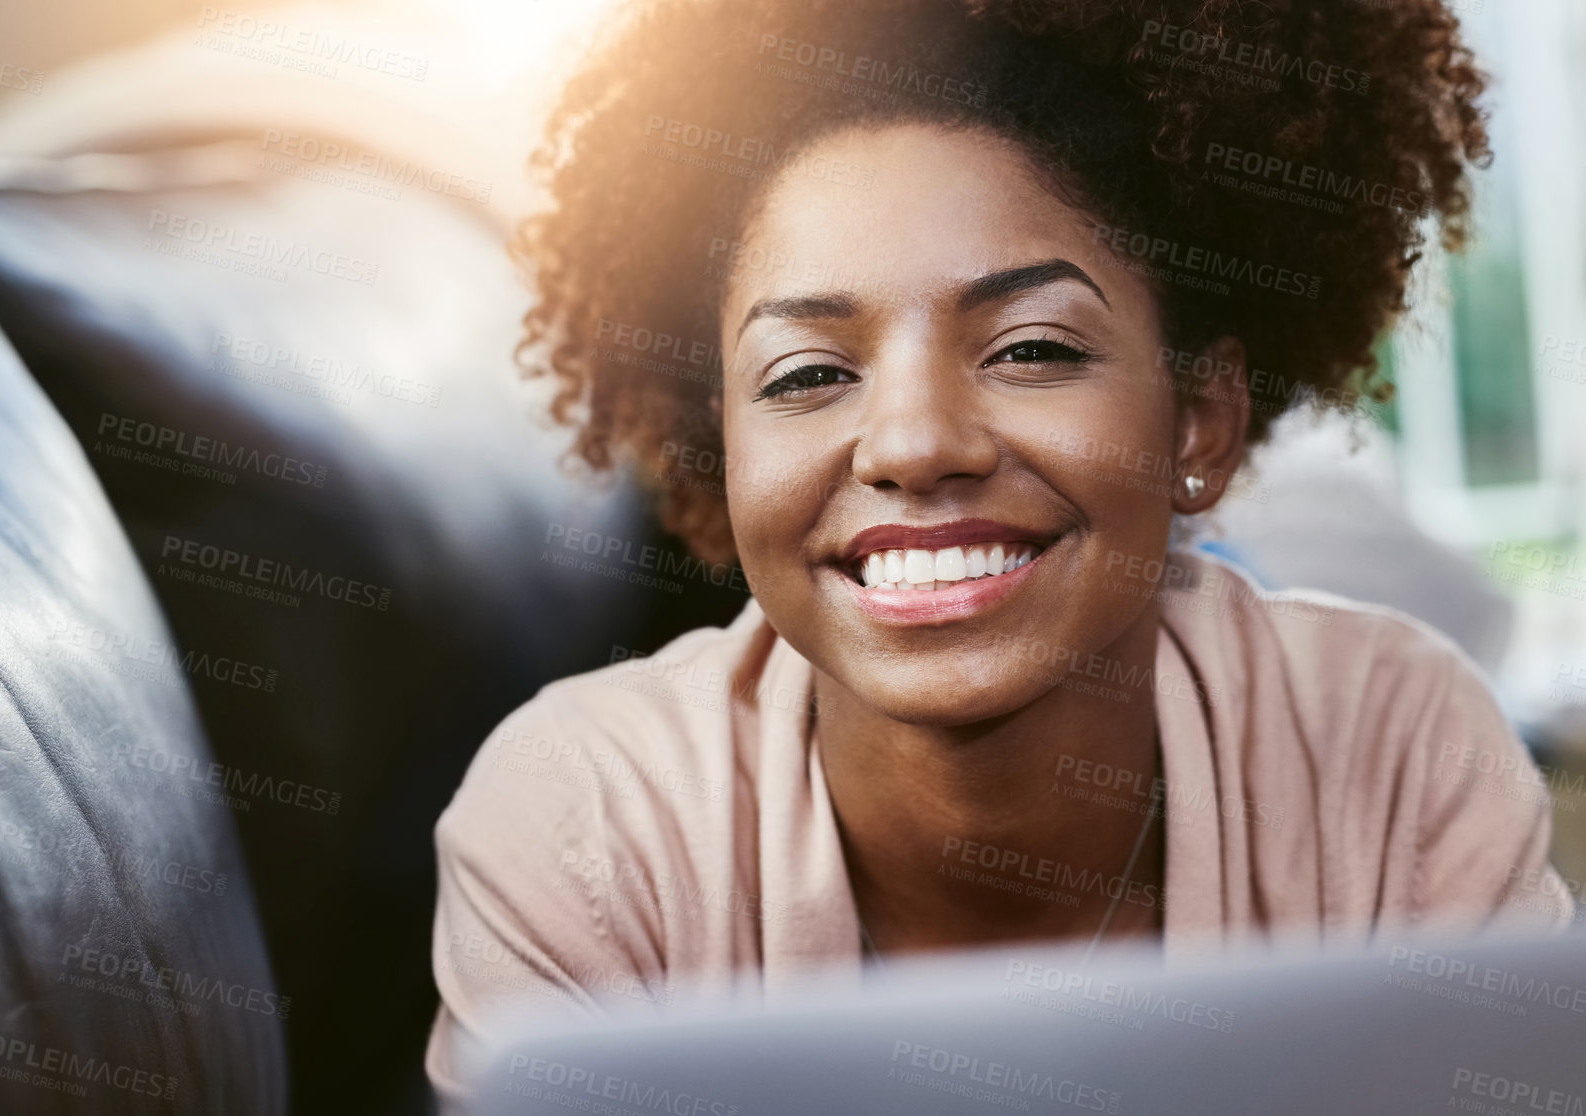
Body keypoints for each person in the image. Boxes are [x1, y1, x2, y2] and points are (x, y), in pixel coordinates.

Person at [426, 0, 1574, 1104]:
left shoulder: (1404, 751)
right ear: (717, 449)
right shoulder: (573, 826)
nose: (915, 444)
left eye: (1028, 349)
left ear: (1200, 423)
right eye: (809, 375)